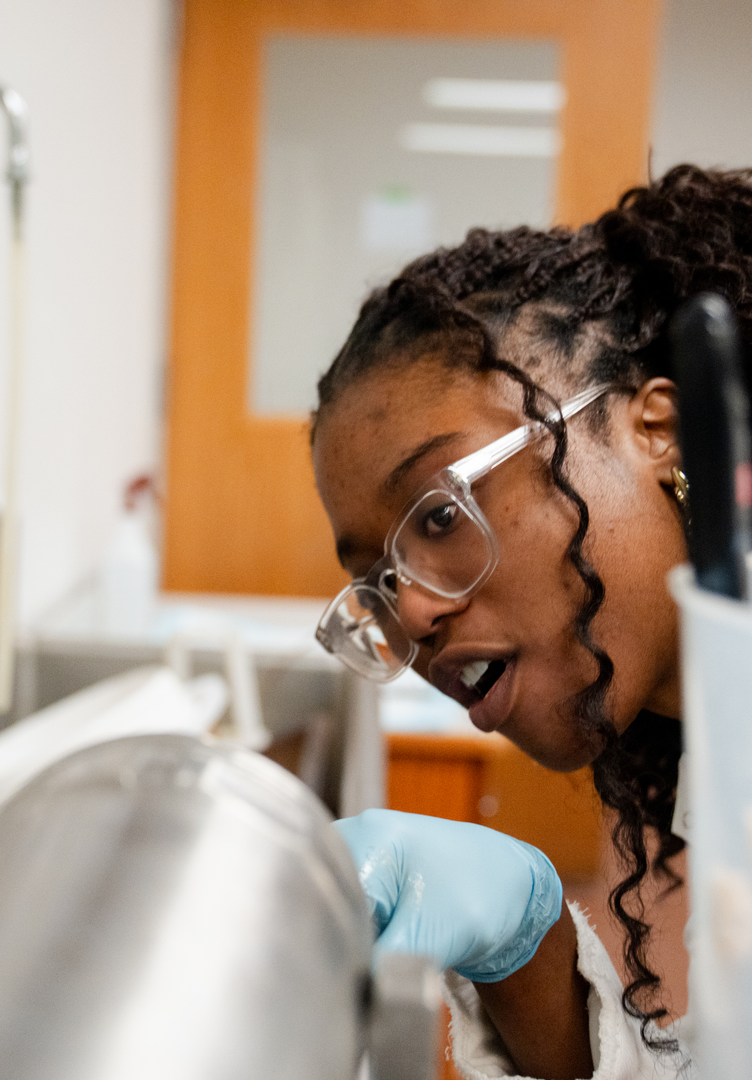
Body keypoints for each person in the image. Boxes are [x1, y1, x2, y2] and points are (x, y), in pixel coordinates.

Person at [307, 164, 751, 1080]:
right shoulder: (718, 739)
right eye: (380, 585)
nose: (415, 613)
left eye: (438, 515)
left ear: (658, 428)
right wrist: (529, 945)